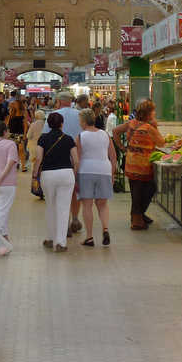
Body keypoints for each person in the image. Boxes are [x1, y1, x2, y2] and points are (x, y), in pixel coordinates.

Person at [114, 99, 165, 230]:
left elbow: (115, 131)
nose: (154, 113)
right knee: (149, 189)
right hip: (143, 165)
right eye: (153, 111)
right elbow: (161, 142)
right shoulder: (149, 128)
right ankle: (137, 220)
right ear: (148, 113)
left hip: (130, 163)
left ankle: (138, 216)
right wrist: (155, 126)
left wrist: (122, 148)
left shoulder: (132, 123)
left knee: (136, 192)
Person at [33, 111, 79, 252]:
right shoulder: (69, 139)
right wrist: (74, 175)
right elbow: (76, 160)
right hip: (66, 174)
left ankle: (50, 238)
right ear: (61, 124)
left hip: (48, 175)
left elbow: (39, 158)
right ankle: (60, 243)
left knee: (50, 206)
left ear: (48, 124)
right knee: (64, 208)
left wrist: (35, 174)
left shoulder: (43, 139)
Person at [42, 90, 84, 233]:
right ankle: (75, 218)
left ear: (59, 102)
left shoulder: (53, 116)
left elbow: (45, 137)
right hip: (77, 157)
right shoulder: (79, 115)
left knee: (59, 194)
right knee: (74, 190)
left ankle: (63, 223)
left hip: (57, 160)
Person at [77, 108, 115, 247]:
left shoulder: (81, 136)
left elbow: (77, 158)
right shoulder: (105, 134)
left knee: (87, 205)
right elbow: (113, 156)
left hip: (86, 170)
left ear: (84, 121)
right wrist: (112, 173)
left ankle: (89, 237)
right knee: (103, 204)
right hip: (104, 169)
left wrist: (75, 174)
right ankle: (105, 229)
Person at [7, 97, 28, 169]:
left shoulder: (24, 112)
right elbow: (8, 122)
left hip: (20, 133)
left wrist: (25, 134)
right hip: (12, 132)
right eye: (14, 104)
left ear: (19, 105)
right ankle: (16, 163)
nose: (14, 105)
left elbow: (25, 124)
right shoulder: (12, 112)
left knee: (21, 149)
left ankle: (23, 166)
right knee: (14, 149)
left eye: (15, 104)